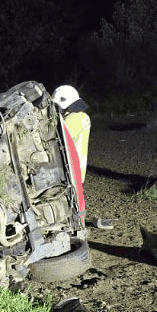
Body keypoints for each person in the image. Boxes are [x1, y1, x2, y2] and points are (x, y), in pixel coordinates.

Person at [51, 84, 91, 226]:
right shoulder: (82, 117)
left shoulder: (73, 120)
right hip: (78, 166)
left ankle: (77, 225)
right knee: (76, 197)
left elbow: (57, 139)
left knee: (72, 200)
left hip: (71, 167)